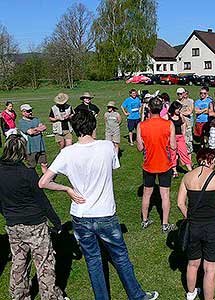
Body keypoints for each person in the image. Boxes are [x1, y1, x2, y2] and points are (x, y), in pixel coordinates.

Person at [39, 110, 159, 300]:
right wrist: (69, 189)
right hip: (105, 214)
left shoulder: (67, 153)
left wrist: (67, 189)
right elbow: (114, 166)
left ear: (74, 128)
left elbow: (43, 182)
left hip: (80, 215)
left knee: (93, 261)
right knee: (120, 257)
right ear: (93, 126)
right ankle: (137, 296)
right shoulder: (107, 147)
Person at [0, 134, 65, 300]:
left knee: (18, 262)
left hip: (13, 225)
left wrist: (7, 214)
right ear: (23, 152)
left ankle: (19, 296)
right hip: (35, 226)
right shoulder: (27, 173)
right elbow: (43, 201)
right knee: (44, 263)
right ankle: (49, 296)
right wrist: (57, 223)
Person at [177, 148, 215, 300]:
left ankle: (190, 293)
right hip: (212, 226)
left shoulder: (187, 177)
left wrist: (190, 216)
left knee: (192, 264)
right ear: (211, 160)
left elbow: (180, 203)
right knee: (210, 268)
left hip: (194, 226)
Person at [137, 96, 176, 233]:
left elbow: (140, 148)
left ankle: (145, 220)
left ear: (149, 108)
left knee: (147, 194)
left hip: (149, 164)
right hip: (165, 164)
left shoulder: (141, 125)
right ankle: (165, 224)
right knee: (165, 194)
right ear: (162, 109)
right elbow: (173, 146)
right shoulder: (169, 124)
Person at [18, 104, 48, 174]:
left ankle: (47, 181)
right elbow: (30, 132)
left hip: (41, 146)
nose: (30, 112)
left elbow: (44, 127)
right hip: (31, 148)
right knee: (31, 167)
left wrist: (35, 129)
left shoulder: (36, 119)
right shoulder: (21, 122)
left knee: (44, 164)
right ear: (23, 112)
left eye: (31, 110)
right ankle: (32, 181)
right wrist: (38, 129)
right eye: (28, 111)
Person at [168, 101, 192, 177]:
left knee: (184, 153)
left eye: (180, 109)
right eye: (178, 109)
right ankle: (175, 171)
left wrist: (183, 133)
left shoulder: (180, 116)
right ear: (173, 109)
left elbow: (183, 123)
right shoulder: (168, 117)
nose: (179, 110)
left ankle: (190, 170)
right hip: (172, 138)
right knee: (173, 154)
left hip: (180, 137)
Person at [177, 87, 194, 154]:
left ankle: (189, 152)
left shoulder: (189, 102)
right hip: (179, 124)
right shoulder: (176, 102)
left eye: (181, 94)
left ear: (184, 93)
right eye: (178, 94)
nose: (179, 95)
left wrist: (180, 113)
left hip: (187, 124)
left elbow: (189, 112)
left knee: (188, 140)